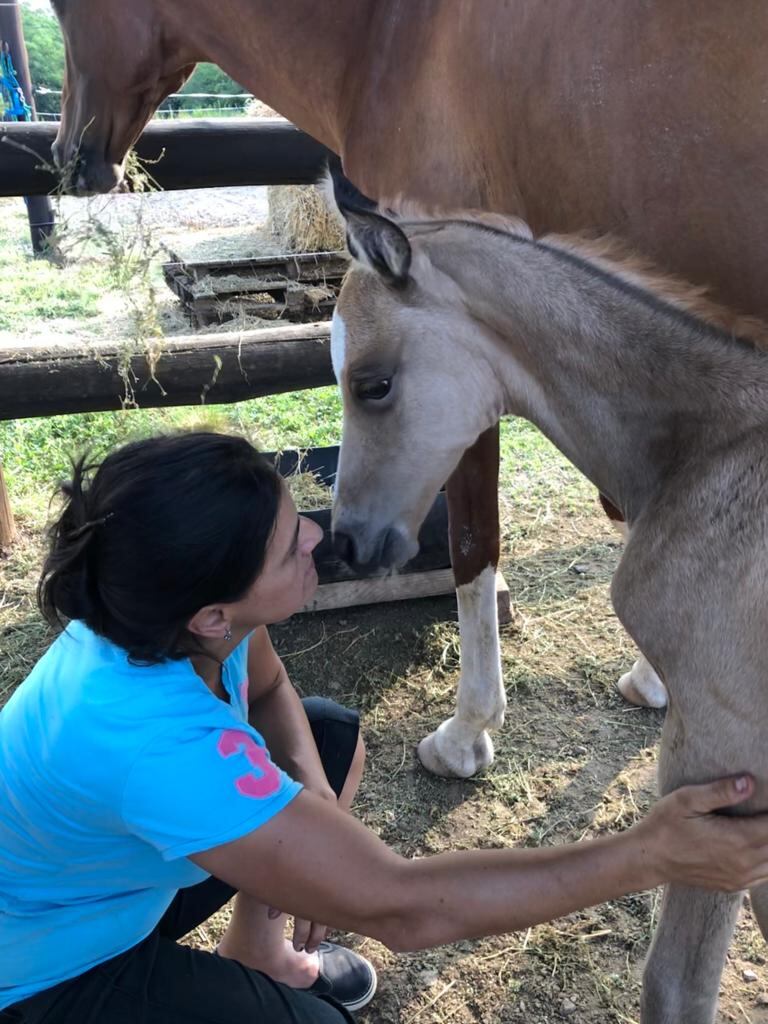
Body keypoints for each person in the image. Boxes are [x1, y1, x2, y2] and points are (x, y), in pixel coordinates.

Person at [2, 431, 768, 1024]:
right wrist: (654, 853)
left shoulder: (167, 616)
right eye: (284, 544)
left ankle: (259, 955)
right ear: (212, 612)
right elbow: (401, 906)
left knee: (327, 738)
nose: (312, 531)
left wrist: (320, 817)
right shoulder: (151, 741)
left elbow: (268, 685)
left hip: (106, 873)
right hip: (46, 965)